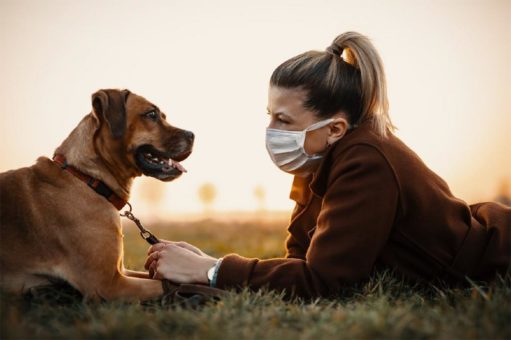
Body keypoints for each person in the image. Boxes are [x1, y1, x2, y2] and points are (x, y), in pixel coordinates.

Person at [144, 31, 510, 299]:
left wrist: (212, 271)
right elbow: (300, 259)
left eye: (284, 121)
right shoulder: (318, 161)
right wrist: (210, 264)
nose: (270, 131)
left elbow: (323, 281)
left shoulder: (366, 160)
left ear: (334, 128)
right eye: (270, 116)